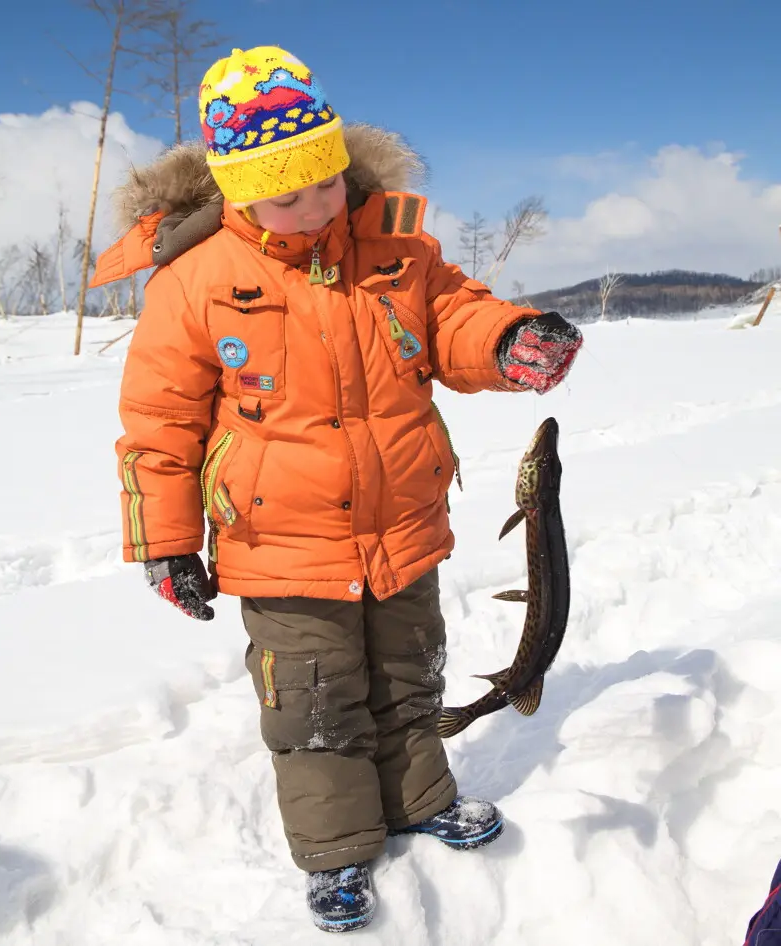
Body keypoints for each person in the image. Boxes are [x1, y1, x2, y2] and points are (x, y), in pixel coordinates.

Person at [90, 45, 583, 933]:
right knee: (313, 704)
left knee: (408, 674)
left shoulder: (394, 243)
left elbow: (454, 313)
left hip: (402, 527)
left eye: (326, 181)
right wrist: (163, 541)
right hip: (279, 544)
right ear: (236, 190)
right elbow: (158, 423)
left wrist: (506, 340)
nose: (318, 207)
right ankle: (338, 849)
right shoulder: (194, 280)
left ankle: (422, 798)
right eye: (288, 194)